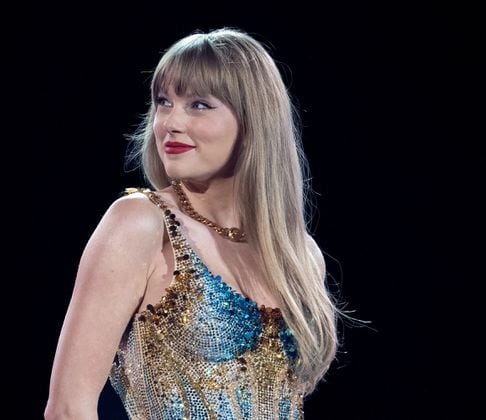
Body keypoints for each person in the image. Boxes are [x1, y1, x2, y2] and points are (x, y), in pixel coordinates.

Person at [44, 27, 341, 419]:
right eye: (164, 102)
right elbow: (68, 408)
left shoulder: (299, 255)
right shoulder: (141, 224)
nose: (170, 122)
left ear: (254, 120)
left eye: (199, 104)